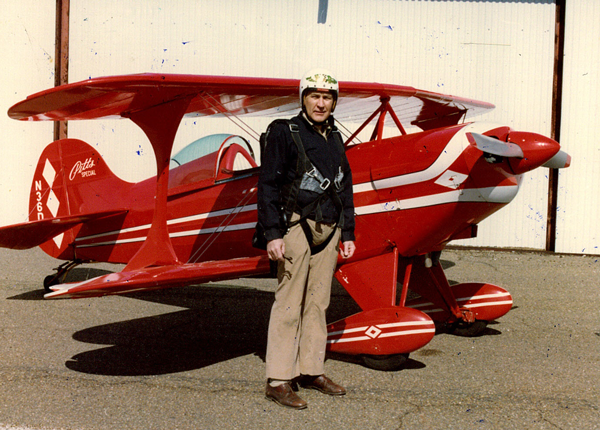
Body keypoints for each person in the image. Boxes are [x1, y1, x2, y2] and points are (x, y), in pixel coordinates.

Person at [256, 69, 356, 410]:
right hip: (295, 226)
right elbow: (267, 184)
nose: (321, 103)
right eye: (314, 96)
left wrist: (349, 231)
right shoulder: (285, 132)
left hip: (330, 229)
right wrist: (272, 234)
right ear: (303, 98)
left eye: (327, 97)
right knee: (288, 302)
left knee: (318, 304)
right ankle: (279, 379)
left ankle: (312, 370)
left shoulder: (335, 137)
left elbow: (345, 186)